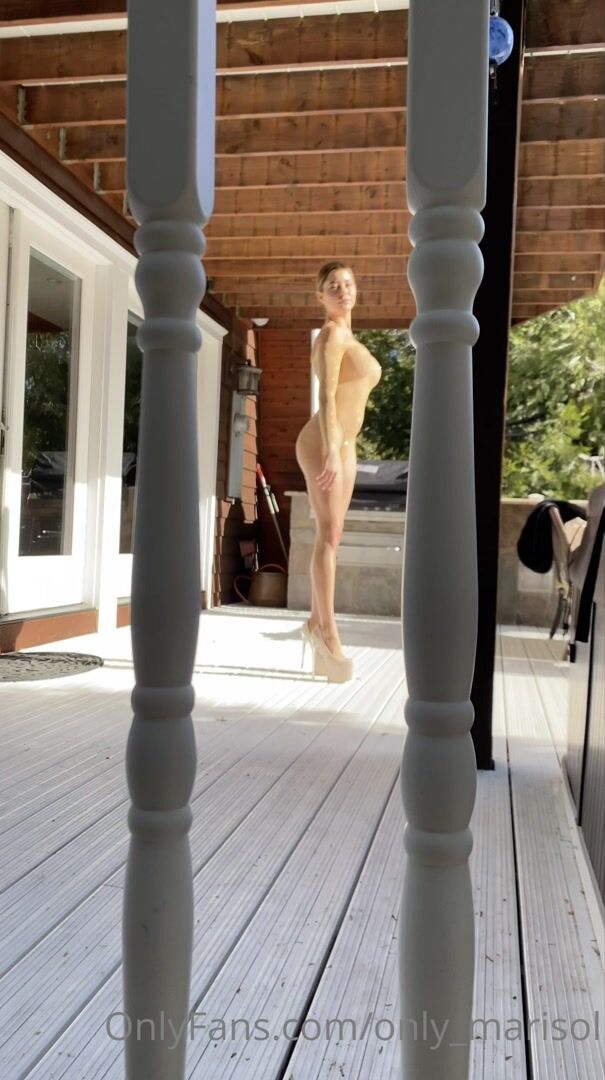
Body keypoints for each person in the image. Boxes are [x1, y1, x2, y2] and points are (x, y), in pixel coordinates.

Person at [294, 261, 382, 682]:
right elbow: (327, 397)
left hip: (344, 445)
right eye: (333, 286)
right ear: (321, 296)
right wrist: (330, 448)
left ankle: (315, 624)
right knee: (327, 538)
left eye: (348, 283)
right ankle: (328, 634)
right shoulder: (330, 334)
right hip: (323, 444)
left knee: (333, 536)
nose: (343, 290)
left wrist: (342, 446)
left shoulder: (350, 337)